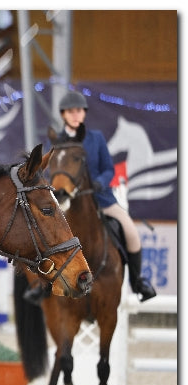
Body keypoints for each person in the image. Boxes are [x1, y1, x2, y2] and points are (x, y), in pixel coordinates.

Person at [23, 90, 156, 304]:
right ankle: (43, 284)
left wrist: (100, 182)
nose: (76, 115)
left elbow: (108, 169)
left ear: (84, 114)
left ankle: (138, 282)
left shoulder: (96, 138)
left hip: (100, 198)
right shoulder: (57, 140)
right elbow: (53, 170)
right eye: (71, 111)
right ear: (64, 114)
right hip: (66, 200)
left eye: (79, 111)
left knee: (131, 232)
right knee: (47, 233)